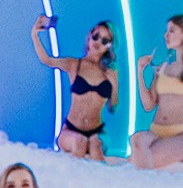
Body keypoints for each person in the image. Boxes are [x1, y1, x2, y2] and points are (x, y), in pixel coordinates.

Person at [129, 14, 183, 169]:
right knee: (136, 139)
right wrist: (140, 72)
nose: (166, 35)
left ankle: (141, 179)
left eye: (171, 30)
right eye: (166, 31)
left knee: (144, 158)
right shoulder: (162, 67)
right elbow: (148, 105)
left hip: (182, 134)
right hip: (156, 131)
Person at [31, 16, 120, 160]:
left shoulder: (110, 72)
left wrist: (114, 83)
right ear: (89, 36)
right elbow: (47, 60)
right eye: (96, 36)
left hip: (97, 131)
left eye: (104, 41)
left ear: (109, 46)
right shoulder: (74, 65)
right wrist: (34, 34)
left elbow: (113, 107)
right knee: (80, 143)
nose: (98, 42)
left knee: (95, 145)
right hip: (71, 130)